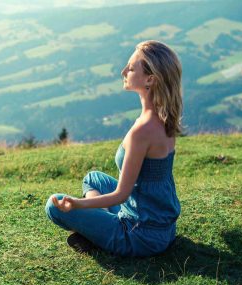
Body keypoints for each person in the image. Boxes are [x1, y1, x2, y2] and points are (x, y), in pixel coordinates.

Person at [45, 40, 183, 257]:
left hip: (140, 235)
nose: (123, 71)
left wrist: (78, 204)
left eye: (131, 67)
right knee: (93, 179)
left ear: (150, 79)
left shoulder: (143, 131)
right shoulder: (163, 118)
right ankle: (96, 227)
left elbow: (120, 195)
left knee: (53, 206)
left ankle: (95, 232)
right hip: (161, 226)